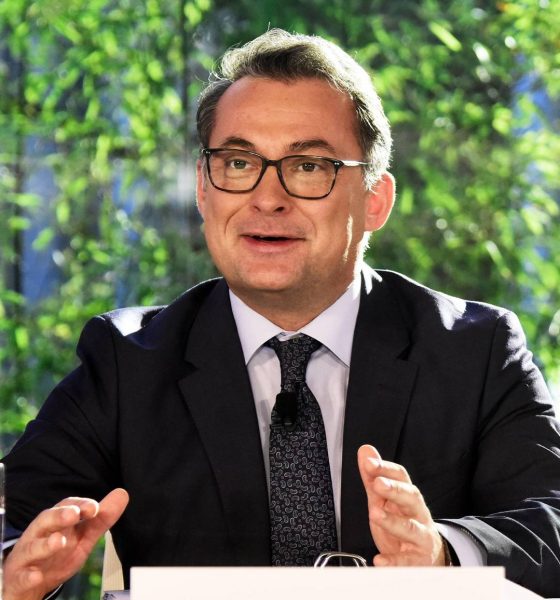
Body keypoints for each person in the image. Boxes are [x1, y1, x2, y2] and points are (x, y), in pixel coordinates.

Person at [2, 28, 560, 600]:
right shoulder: (127, 361)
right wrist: (12, 573)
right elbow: (16, 518)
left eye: (309, 166)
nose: (267, 198)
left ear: (375, 201)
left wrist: (441, 555)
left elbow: (552, 523)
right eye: (238, 162)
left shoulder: (474, 350)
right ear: (203, 190)